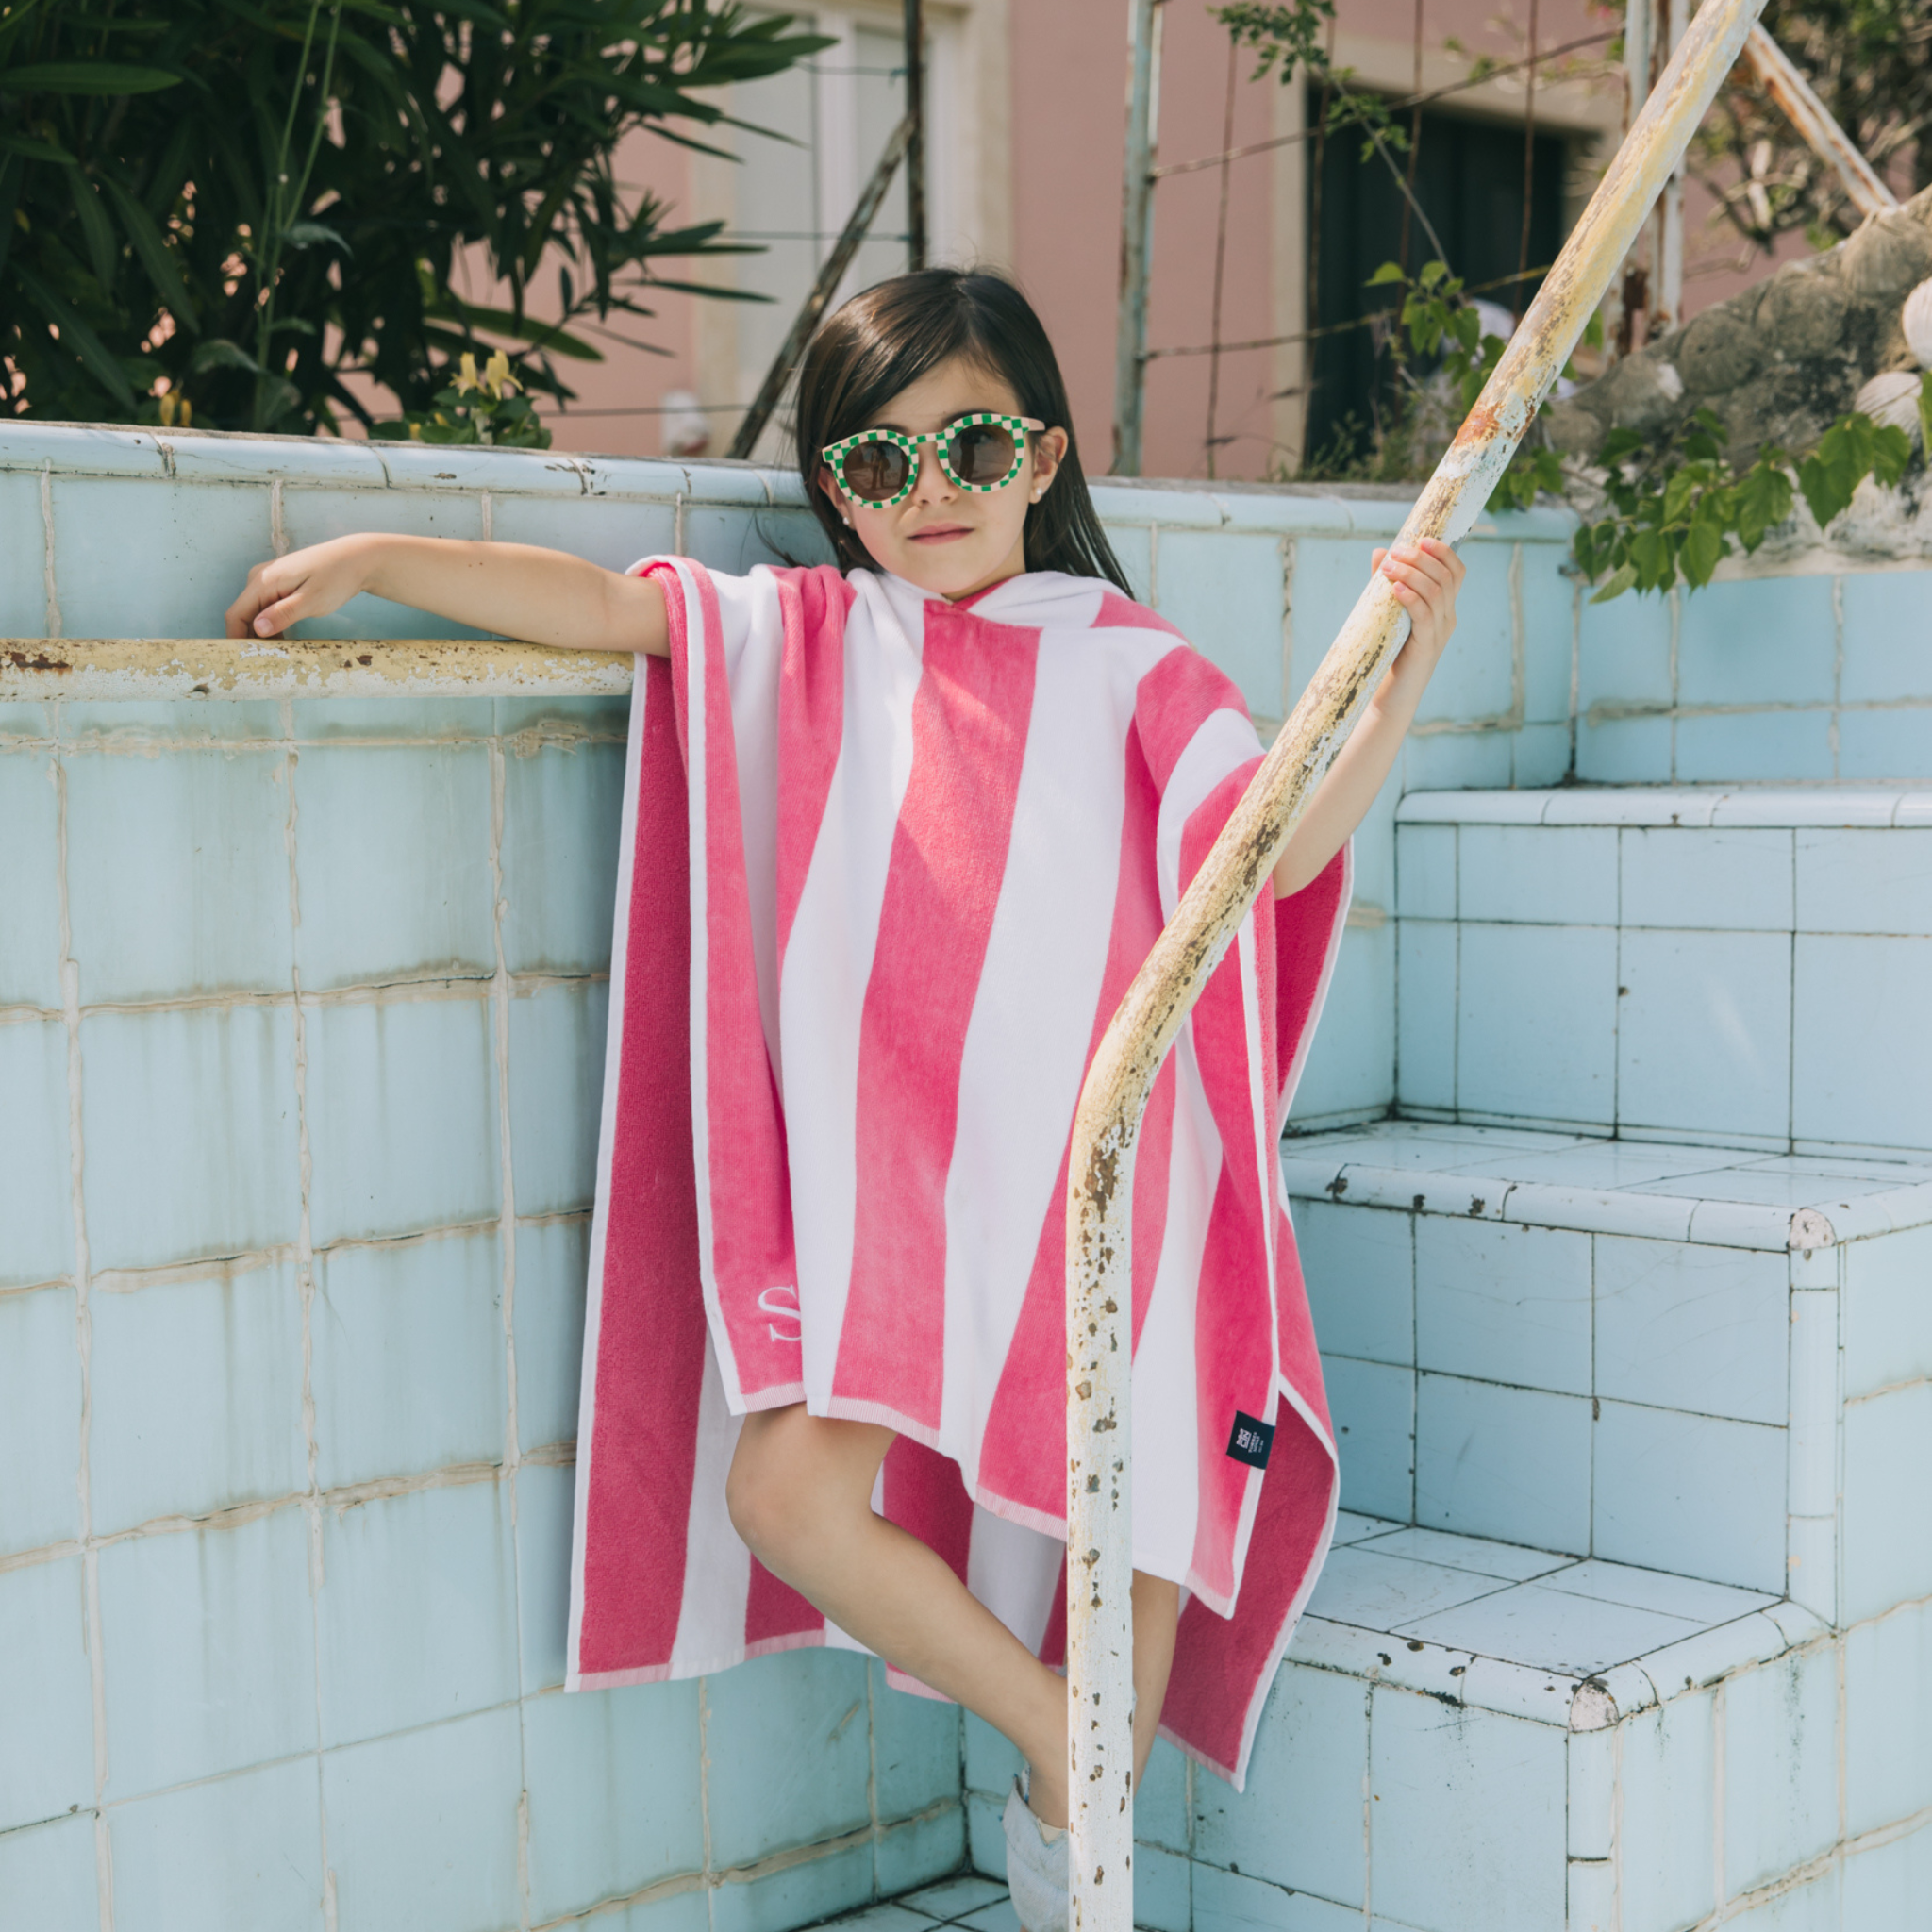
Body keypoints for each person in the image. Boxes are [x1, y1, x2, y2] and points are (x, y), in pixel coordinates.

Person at [227, 268, 1463, 1932]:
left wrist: (1395, 690)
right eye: (876, 465)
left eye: (966, 444)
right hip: (906, 1189)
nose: (928, 492)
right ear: (835, 494)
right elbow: (605, 609)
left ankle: (1074, 1856)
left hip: (1109, 1182)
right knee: (785, 1494)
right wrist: (380, 559)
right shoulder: (821, 631)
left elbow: (1274, 854)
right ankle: (1052, 1735)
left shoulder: (1140, 670)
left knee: (1133, 1538)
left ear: (1042, 453)